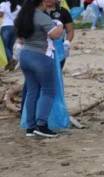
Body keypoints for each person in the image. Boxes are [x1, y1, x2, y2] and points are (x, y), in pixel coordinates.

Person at [14, 0, 64, 137]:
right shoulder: (41, 16)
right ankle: (42, 125)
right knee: (48, 91)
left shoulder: (25, 15)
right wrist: (60, 26)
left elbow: (21, 38)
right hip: (41, 56)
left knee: (32, 91)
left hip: (25, 55)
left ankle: (30, 127)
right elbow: (55, 35)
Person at [44, 0, 73, 69]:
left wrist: (67, 42)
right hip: (40, 48)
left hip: (58, 49)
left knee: (57, 73)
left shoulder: (63, 11)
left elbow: (70, 30)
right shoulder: (37, 12)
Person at [0, 0, 21, 69]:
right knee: (10, 47)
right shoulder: (18, 7)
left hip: (5, 26)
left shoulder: (3, 4)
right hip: (15, 28)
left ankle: (11, 60)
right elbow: (19, 18)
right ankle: (10, 65)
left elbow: (1, 14)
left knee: (5, 46)